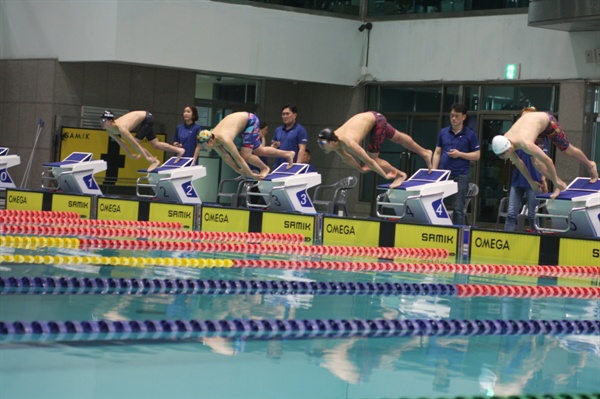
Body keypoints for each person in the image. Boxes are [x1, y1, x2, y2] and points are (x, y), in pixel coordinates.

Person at [491, 107, 598, 199]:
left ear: (509, 147)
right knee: (536, 162)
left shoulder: (525, 144)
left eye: (504, 154)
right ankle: (560, 184)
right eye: (500, 155)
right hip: (533, 128)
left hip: (547, 122)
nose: (504, 157)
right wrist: (531, 182)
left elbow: (548, 161)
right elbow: (519, 164)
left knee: (567, 150)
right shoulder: (504, 141)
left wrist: (554, 182)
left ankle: (590, 164)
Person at [317, 111, 433, 188]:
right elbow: (346, 158)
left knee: (374, 159)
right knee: (397, 138)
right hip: (375, 116)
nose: (320, 146)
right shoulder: (335, 140)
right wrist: (360, 169)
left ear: (331, 142)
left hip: (376, 122)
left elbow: (370, 162)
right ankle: (425, 152)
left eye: (322, 143)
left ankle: (399, 175)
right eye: (319, 143)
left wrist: (385, 175)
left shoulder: (348, 143)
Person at [197, 112, 295, 179]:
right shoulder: (213, 138)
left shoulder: (225, 139)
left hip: (250, 121)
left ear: (209, 142)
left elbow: (238, 158)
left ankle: (264, 168)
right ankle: (288, 154)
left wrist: (250, 174)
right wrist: (238, 170)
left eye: (203, 146)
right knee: (258, 151)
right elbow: (225, 156)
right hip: (244, 121)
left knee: (245, 155)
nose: (202, 148)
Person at [432, 103, 480, 225]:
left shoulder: (470, 134)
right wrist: (433, 171)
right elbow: (437, 152)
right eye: (452, 115)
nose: (454, 119)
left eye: (457, 116)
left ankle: (459, 235)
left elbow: (477, 155)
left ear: (464, 117)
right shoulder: (443, 132)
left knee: (458, 208)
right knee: (434, 204)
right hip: (443, 174)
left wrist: (460, 154)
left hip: (461, 175)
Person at [100, 110, 185, 172]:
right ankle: (179, 150)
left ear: (111, 121)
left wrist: (147, 157)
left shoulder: (121, 128)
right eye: (101, 120)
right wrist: (129, 154)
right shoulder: (109, 131)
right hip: (146, 118)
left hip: (147, 118)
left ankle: (154, 161)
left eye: (104, 121)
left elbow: (135, 144)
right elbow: (122, 143)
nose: (101, 123)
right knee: (155, 144)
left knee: (136, 142)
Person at [504, 147, 548, 232]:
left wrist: (543, 179)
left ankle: (536, 240)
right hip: (517, 181)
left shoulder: (541, 139)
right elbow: (513, 158)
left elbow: (544, 161)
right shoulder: (518, 139)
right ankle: (507, 239)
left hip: (535, 182)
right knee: (511, 214)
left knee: (532, 215)